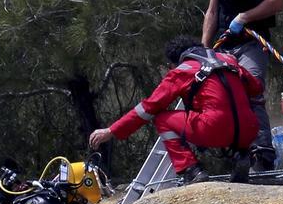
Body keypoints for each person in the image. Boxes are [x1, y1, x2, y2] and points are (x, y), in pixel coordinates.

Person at [89, 35, 263, 184]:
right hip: (250, 129)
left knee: (162, 119)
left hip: (214, 128)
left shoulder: (181, 71)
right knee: (238, 115)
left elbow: (147, 108)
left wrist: (111, 131)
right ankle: (242, 156)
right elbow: (256, 88)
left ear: (174, 61)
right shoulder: (229, 60)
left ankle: (192, 171)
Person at [198, 0, 283, 171]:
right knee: (220, 96)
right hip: (225, 45)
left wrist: (245, 17)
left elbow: (276, 1)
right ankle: (238, 155)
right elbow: (212, 10)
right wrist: (204, 47)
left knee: (251, 90)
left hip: (251, 41)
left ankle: (263, 154)